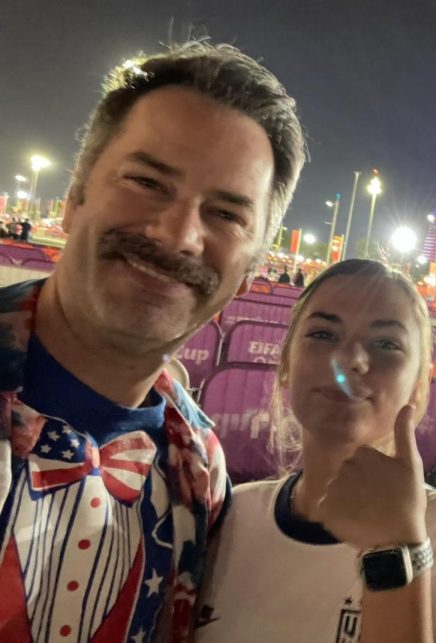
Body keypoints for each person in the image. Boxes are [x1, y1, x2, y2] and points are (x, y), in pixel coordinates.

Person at [0, 41, 305, 642]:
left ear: (248, 271)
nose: (179, 235)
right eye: (146, 181)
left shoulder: (201, 472)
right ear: (75, 196)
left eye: (225, 215)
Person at [198, 259, 436, 642]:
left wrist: (398, 551)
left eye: (386, 344)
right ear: (286, 362)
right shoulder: (231, 515)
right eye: (323, 334)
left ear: (419, 386)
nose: (350, 361)